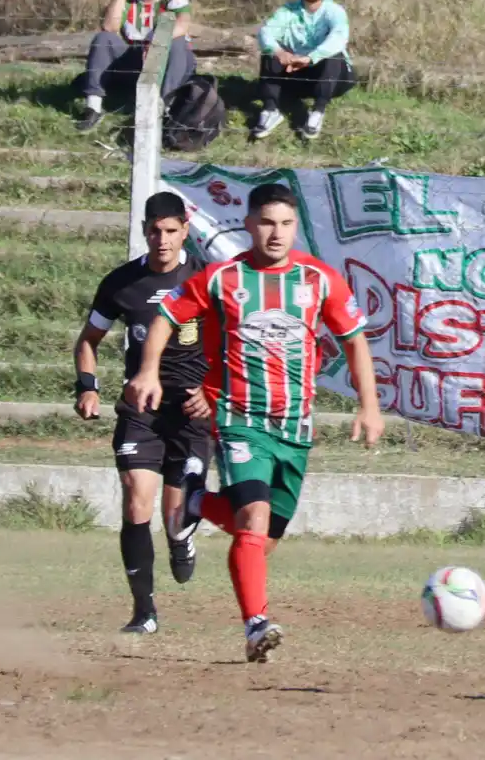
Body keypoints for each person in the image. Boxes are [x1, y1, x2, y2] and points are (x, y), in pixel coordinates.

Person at [126, 182, 384, 662]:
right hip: (240, 421)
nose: (276, 233)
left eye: (286, 224)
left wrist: (369, 405)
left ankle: (196, 502)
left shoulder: (319, 280)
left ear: (295, 228)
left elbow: (353, 339)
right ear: (248, 224)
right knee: (253, 521)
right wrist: (147, 371)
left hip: (295, 427)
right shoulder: (224, 278)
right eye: (267, 222)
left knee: (263, 540)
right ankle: (255, 625)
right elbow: (164, 315)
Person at [74, 192, 210, 634]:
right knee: (136, 499)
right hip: (141, 409)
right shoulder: (121, 283)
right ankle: (144, 611)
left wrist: (213, 391)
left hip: (191, 409)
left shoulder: (207, 279)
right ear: (144, 231)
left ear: (185, 231)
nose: (163, 239)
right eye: (155, 230)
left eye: (171, 231)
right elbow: (88, 340)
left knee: (175, 517)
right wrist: (88, 387)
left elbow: (232, 340)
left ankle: (181, 537)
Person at [75, 0, 196, 132]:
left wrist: (154, 40)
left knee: (178, 42)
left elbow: (183, 25)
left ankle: (163, 108)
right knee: (103, 39)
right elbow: (109, 27)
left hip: (168, 60)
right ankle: (93, 107)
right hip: (136, 60)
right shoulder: (127, 0)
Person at [252, 0, 356, 141]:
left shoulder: (334, 11)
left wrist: (310, 57)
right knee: (271, 51)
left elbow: (338, 38)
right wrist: (279, 52)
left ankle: (318, 111)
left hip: (332, 77)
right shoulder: (287, 11)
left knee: (333, 55)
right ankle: (270, 110)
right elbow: (265, 32)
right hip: (296, 72)